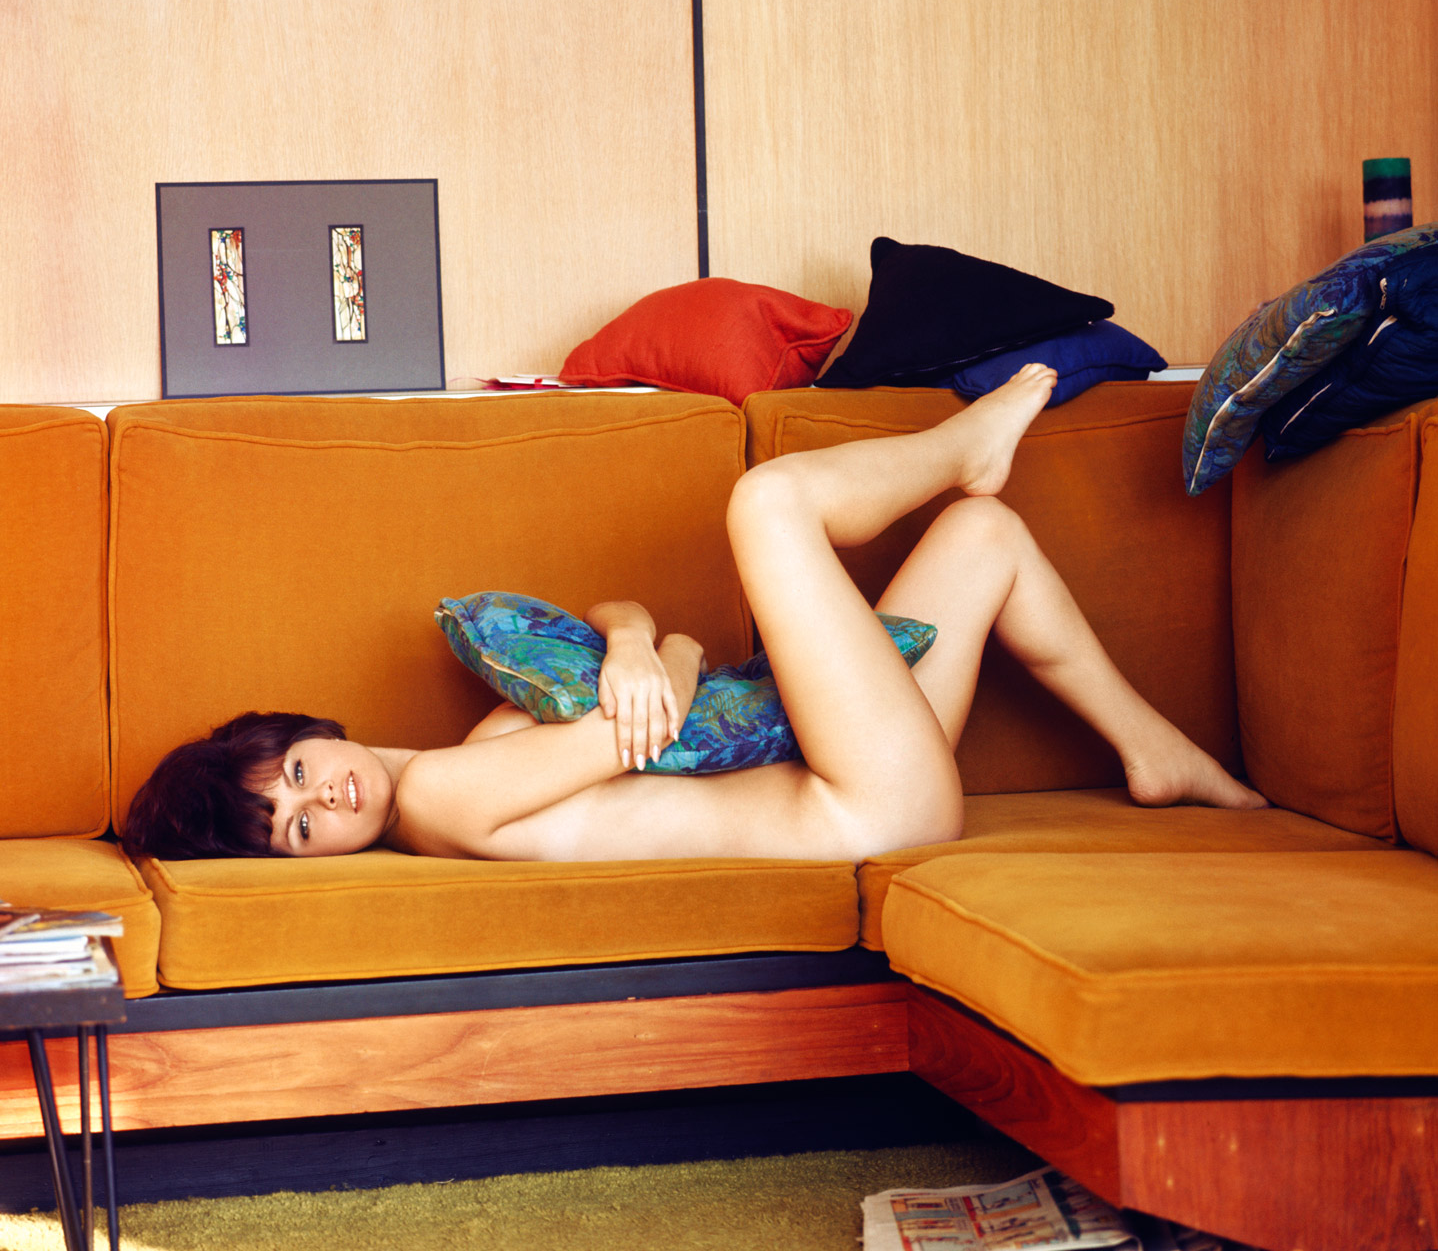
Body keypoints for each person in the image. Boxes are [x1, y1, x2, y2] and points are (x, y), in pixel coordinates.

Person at [122, 365, 1266, 866]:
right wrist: (656, 652)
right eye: (298, 829)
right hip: (862, 807)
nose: (324, 800)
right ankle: (963, 446)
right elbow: (657, 719)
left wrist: (632, 640)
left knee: (980, 540)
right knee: (769, 503)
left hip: (853, 771)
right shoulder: (437, 799)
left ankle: (1150, 750)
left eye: (297, 774)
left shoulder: (459, 758)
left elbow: (651, 658)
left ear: (307, 730)